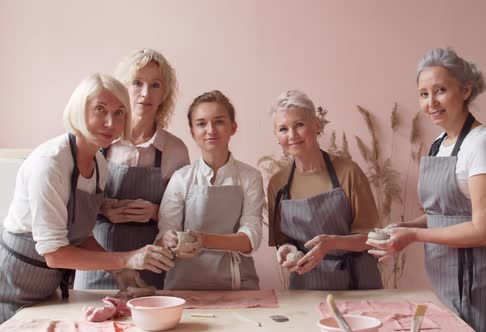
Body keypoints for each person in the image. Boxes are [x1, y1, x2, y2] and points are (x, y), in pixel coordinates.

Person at [0, 74, 174, 323]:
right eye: (100, 110)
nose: (110, 122)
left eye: (119, 113)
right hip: (12, 285)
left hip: (47, 289)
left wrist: (120, 271)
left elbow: (80, 235)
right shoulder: (50, 164)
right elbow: (55, 253)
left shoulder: (99, 164)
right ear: (79, 110)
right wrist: (127, 257)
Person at [366, 48, 486, 331]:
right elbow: (443, 213)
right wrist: (405, 225)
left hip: (479, 287)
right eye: (423, 94)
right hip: (444, 283)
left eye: (440, 90)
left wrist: (412, 235)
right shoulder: (439, 144)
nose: (430, 102)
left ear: (465, 90)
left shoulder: (481, 144)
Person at [75, 49, 189, 290]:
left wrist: (155, 211)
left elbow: (185, 217)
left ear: (164, 93)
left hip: (150, 267)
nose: (145, 93)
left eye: (155, 85)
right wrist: (103, 208)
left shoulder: (175, 150)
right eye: (137, 83)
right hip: (96, 260)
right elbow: (72, 207)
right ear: (122, 87)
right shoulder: (99, 140)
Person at [267, 90, 382, 290]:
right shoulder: (277, 184)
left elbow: (371, 239)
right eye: (283, 129)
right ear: (276, 136)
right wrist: (286, 249)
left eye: (299, 125)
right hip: (305, 285)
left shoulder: (349, 172)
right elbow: (284, 240)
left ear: (316, 125)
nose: (292, 135)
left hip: (356, 283)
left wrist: (331, 243)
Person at [157, 90, 263, 290]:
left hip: (238, 285)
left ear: (233, 127)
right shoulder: (181, 178)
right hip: (183, 286)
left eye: (219, 122)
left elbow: (251, 238)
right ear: (192, 132)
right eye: (201, 123)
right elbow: (165, 234)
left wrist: (203, 240)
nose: (210, 130)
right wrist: (168, 239)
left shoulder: (251, 177)